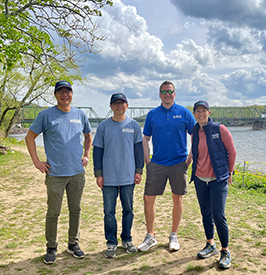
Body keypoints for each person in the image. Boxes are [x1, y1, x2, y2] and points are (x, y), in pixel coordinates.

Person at [25, 80, 92, 264]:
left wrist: (86, 155)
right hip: (55, 174)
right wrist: (36, 161)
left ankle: (73, 244)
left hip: (77, 173)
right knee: (53, 212)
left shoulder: (80, 114)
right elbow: (29, 137)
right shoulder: (46, 115)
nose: (65, 95)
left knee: (75, 210)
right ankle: (51, 247)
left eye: (68, 92)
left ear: (72, 94)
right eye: (61, 92)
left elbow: (88, 135)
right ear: (55, 95)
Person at [138, 81, 196, 252]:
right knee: (148, 198)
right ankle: (150, 236)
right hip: (157, 163)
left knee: (177, 199)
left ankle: (173, 235)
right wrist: (147, 160)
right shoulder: (152, 114)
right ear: (159, 94)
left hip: (179, 163)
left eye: (170, 91)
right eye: (164, 91)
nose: (167, 94)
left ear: (175, 94)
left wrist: (189, 159)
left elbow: (196, 136)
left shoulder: (184, 113)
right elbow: (146, 138)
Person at [92, 93, 144, 258]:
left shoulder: (134, 125)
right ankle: (111, 243)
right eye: (116, 103)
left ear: (127, 105)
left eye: (122, 103)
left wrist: (139, 170)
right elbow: (97, 152)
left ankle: (127, 240)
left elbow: (138, 151)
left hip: (128, 176)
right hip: (109, 177)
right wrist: (98, 174)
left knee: (128, 210)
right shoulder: (103, 126)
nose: (119, 105)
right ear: (111, 107)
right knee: (109, 212)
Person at [187, 100, 236, 269]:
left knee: (218, 215)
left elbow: (232, 151)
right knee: (205, 213)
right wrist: (184, 167)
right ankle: (210, 244)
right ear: (194, 114)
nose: (201, 114)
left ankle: (225, 250)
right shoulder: (194, 132)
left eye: (204, 111)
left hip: (218, 179)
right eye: (198, 111)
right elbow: (193, 154)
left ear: (209, 113)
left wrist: (230, 173)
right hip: (200, 179)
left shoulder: (219, 129)